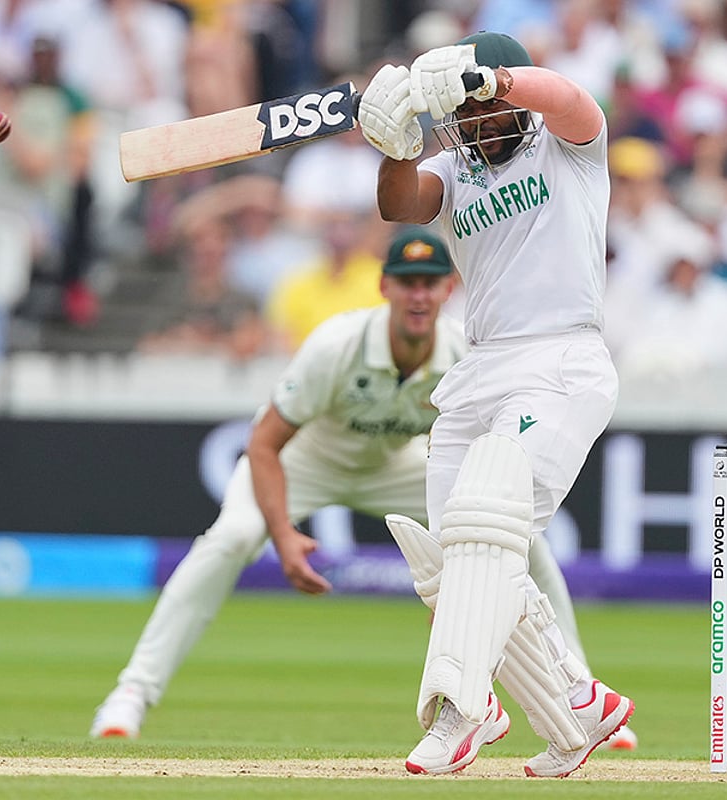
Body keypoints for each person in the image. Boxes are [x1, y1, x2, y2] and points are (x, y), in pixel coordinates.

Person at [88, 227, 615, 745]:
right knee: (228, 540)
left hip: (395, 465)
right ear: (384, 286)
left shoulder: (460, 352)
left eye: (430, 282)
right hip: (304, 461)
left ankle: (579, 696)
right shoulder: (337, 345)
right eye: (407, 281)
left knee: (511, 534)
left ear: (448, 289)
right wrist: (282, 534)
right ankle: (131, 694)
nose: (418, 294)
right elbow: (264, 444)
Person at [356, 31, 634, 777]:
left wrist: (492, 80)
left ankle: (461, 710)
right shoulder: (457, 166)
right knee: (456, 567)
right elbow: (401, 204)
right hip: (480, 367)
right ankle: (578, 705)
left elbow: (573, 100)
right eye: (467, 118)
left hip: (560, 363)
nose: (477, 129)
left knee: (487, 523)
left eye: (485, 113)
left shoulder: (568, 148)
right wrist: (398, 142)